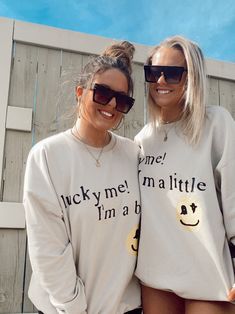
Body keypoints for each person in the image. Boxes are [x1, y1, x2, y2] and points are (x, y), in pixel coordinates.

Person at [23, 41, 142, 314]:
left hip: (127, 308)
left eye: (122, 100)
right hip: (65, 309)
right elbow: (48, 249)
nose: (111, 104)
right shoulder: (47, 156)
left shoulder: (133, 155)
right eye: (102, 93)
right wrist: (73, 308)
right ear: (80, 92)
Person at [135, 35, 235, 314]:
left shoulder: (216, 124)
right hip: (155, 275)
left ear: (192, 79)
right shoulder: (142, 140)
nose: (161, 81)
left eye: (174, 73)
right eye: (154, 72)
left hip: (207, 275)